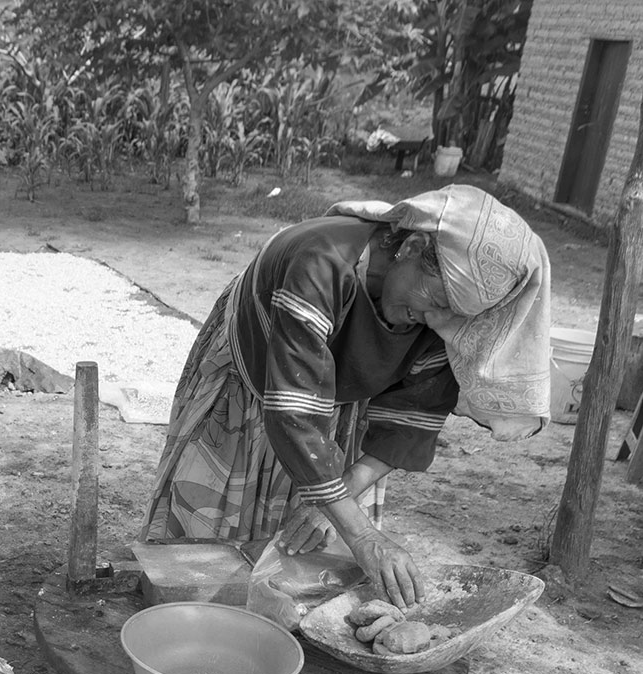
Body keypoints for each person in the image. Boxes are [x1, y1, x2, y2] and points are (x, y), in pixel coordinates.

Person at [141, 184, 551, 606]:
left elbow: (412, 416)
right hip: (253, 379)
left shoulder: (443, 320)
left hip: (339, 407)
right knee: (205, 561)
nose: (435, 320)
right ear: (411, 246)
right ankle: (191, 626)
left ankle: (277, 633)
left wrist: (341, 494)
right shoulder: (323, 260)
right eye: (436, 299)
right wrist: (363, 535)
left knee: (310, 570)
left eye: (452, 314)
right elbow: (293, 413)